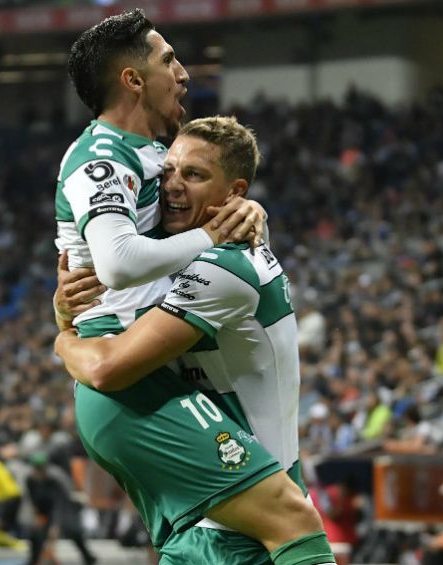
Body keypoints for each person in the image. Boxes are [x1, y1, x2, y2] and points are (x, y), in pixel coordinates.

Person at [56, 116, 335, 565]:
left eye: (195, 174)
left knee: (296, 521)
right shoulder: (187, 259)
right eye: (168, 171)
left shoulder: (225, 267)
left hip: (256, 515)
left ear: (234, 192)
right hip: (213, 510)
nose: (172, 185)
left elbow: (108, 367)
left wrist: (63, 339)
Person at [24, 451, 97, 565]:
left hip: (65, 508)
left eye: (41, 469)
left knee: (73, 531)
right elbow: (33, 499)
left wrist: (55, 526)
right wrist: (37, 516)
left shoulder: (56, 479)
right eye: (37, 469)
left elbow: (60, 504)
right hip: (45, 510)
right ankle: (33, 560)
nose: (39, 472)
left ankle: (88, 557)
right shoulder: (31, 480)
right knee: (36, 535)